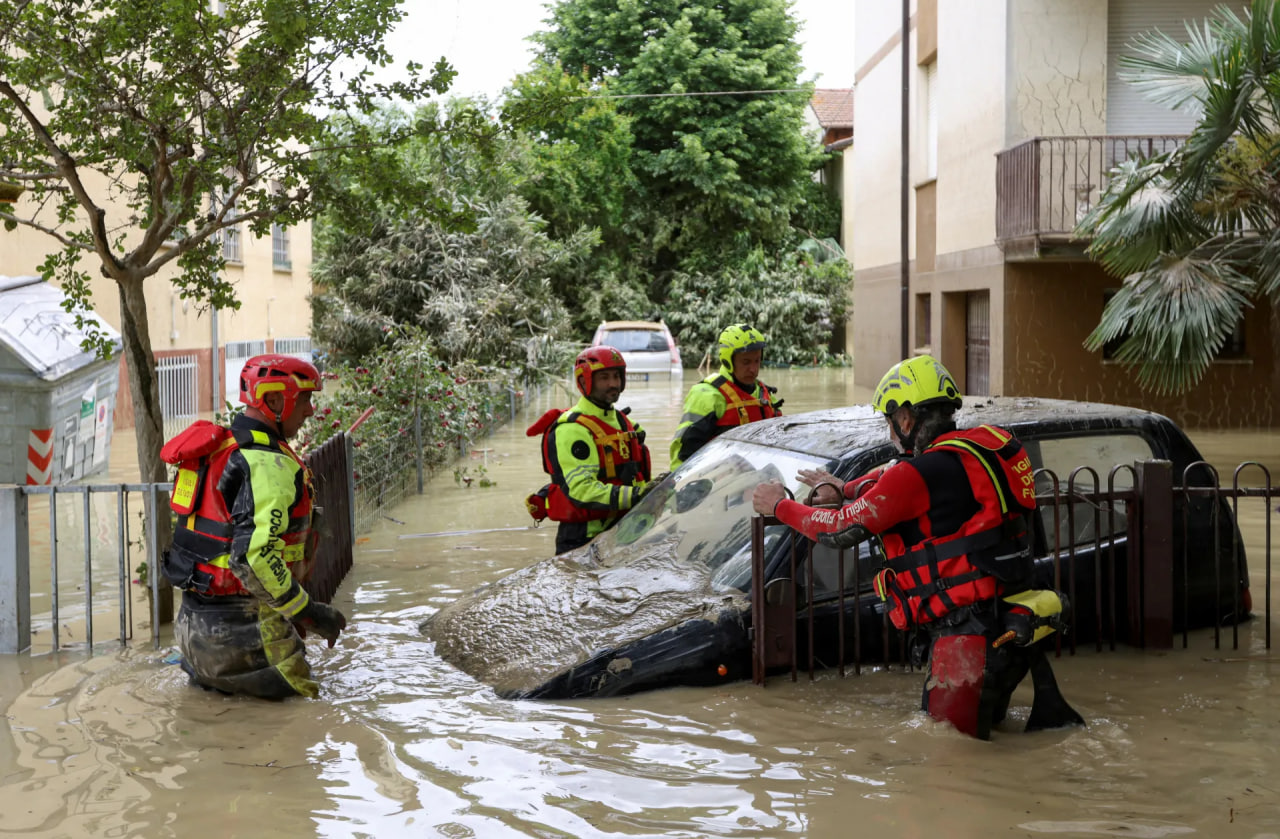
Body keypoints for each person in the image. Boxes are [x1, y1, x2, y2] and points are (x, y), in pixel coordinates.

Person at [751, 354, 1083, 740]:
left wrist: (779, 505)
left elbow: (840, 529)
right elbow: (893, 476)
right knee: (984, 742)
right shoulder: (981, 449)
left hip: (966, 641)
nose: (890, 430)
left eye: (889, 421)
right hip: (1009, 623)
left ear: (906, 419)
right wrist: (846, 488)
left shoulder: (919, 474)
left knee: (949, 764)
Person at [159, 354, 347, 699]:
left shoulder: (220, 449)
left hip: (191, 636)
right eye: (305, 399)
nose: (310, 410)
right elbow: (253, 558)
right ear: (274, 400)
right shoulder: (266, 463)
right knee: (311, 721)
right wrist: (309, 612)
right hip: (245, 637)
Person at [525, 345, 662, 554]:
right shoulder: (572, 429)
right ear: (584, 381)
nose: (613, 384)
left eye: (616, 376)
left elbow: (636, 476)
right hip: (584, 538)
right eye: (604, 378)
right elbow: (582, 490)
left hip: (624, 531)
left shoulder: (624, 423)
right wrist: (638, 494)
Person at [669, 323, 782, 470]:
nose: (753, 369)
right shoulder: (707, 395)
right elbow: (683, 451)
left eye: (757, 360)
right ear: (728, 360)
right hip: (720, 481)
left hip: (758, 475)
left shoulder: (764, 393)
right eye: (746, 362)